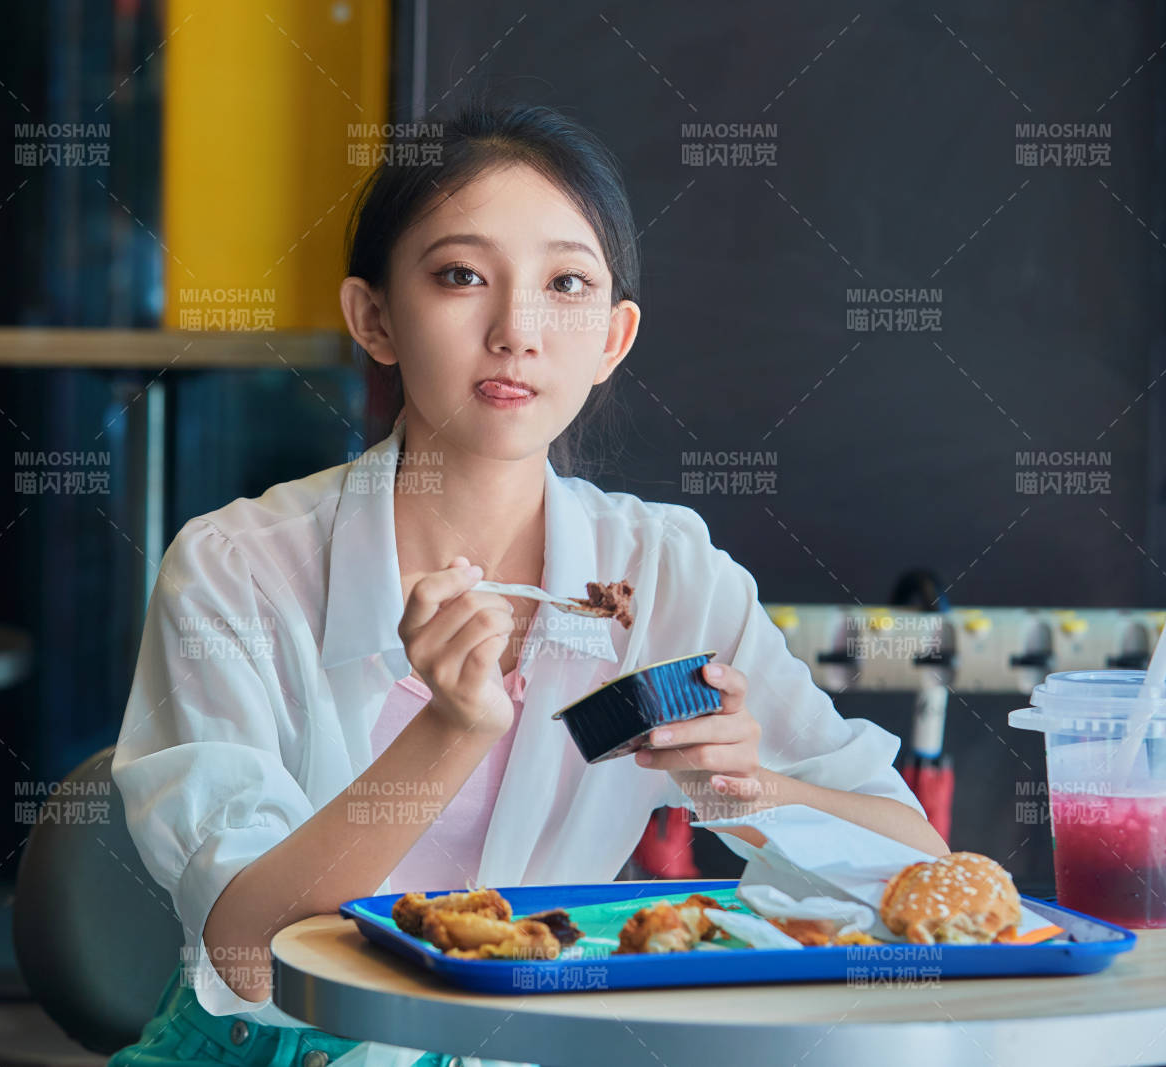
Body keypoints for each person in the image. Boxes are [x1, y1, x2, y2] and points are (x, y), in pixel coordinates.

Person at [109, 100, 947, 1067]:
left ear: (612, 340)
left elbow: (914, 857)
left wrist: (748, 790)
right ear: (373, 317)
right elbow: (249, 956)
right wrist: (449, 730)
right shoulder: (236, 568)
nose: (516, 330)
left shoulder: (666, 574)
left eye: (565, 284)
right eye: (462, 276)